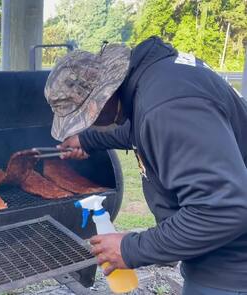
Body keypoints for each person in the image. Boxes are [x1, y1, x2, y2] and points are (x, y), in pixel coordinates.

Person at [44, 36, 247, 294]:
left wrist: (130, 249)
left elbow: (222, 209)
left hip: (233, 269)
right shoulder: (159, 80)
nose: (88, 123)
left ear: (103, 98)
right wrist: (88, 139)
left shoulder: (168, 107)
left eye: (87, 118)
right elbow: (142, 128)